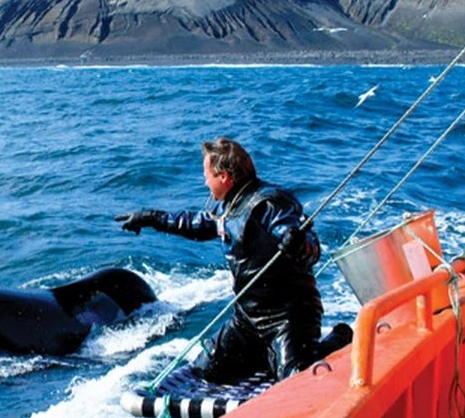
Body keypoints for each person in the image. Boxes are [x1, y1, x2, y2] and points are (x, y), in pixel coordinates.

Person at [115, 137, 344, 383]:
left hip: (288, 318)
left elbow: (308, 246)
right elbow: (195, 224)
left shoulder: (269, 204)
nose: (205, 181)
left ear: (224, 177)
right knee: (206, 371)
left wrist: (298, 243)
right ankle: (266, 357)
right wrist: (151, 217)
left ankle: (340, 339)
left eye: (207, 175)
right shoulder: (228, 207)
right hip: (248, 319)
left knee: (295, 379)